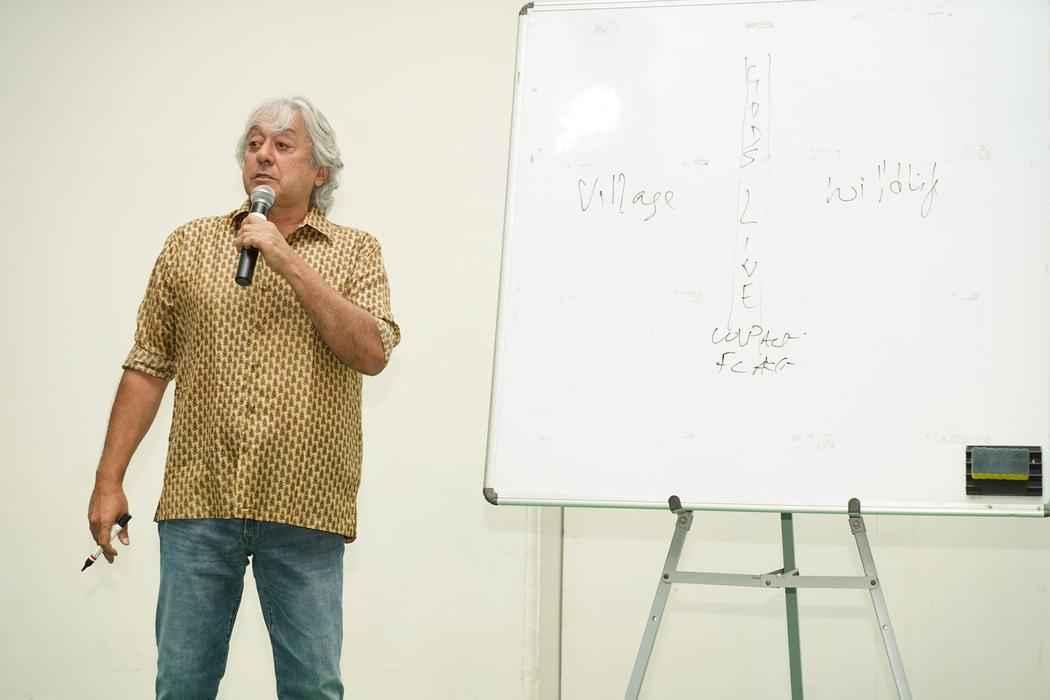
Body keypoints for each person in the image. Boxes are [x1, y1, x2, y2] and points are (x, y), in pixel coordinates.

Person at [86, 96, 400, 699]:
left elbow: (372, 352)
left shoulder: (356, 251)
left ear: (321, 171)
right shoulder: (189, 245)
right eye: (254, 144)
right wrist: (108, 481)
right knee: (182, 684)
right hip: (200, 503)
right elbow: (147, 367)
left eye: (283, 145)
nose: (263, 155)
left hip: (306, 504)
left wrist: (285, 258)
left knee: (313, 687)